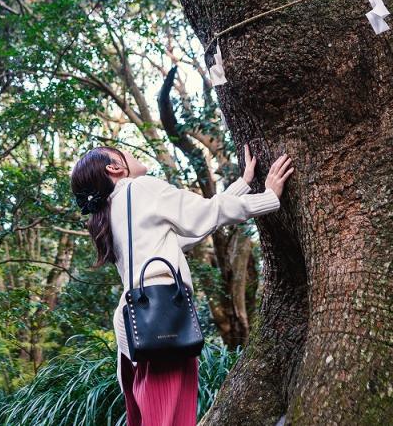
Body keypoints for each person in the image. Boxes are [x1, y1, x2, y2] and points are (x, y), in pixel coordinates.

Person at [70, 144, 293, 426]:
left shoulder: (111, 211)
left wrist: (242, 185)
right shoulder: (139, 189)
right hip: (165, 322)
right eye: (122, 151)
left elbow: (183, 235)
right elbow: (203, 213)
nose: (131, 153)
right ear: (114, 167)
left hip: (140, 330)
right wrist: (269, 197)